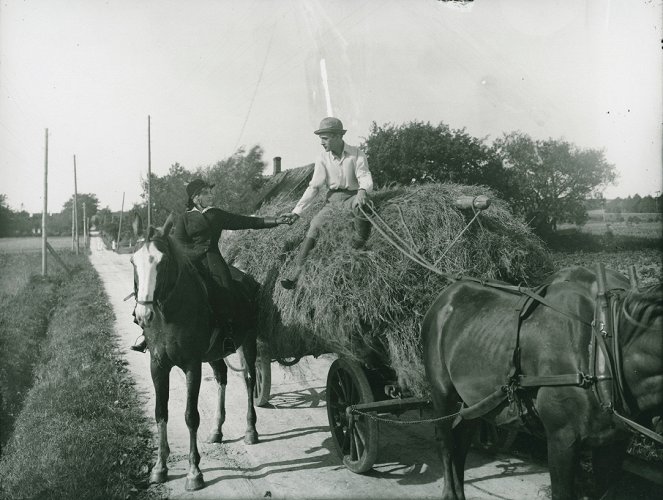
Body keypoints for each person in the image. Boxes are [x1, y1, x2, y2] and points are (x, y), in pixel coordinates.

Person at [131, 178, 293, 352]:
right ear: (196, 198)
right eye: (207, 193)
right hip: (190, 262)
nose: (211, 195)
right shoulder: (184, 218)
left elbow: (247, 221)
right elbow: (178, 243)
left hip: (214, 261)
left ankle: (229, 335)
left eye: (210, 192)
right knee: (161, 288)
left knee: (227, 291)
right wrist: (187, 257)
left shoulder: (217, 214)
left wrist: (277, 220)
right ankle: (148, 336)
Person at [280, 117, 374, 290]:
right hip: (332, 202)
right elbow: (314, 187)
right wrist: (296, 212)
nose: (322, 143)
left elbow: (364, 176)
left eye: (325, 138)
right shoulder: (322, 158)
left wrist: (362, 191)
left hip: (352, 196)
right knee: (315, 224)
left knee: (361, 208)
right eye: (320, 138)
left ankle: (358, 250)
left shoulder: (357, 154)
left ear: (338, 136)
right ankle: (296, 274)